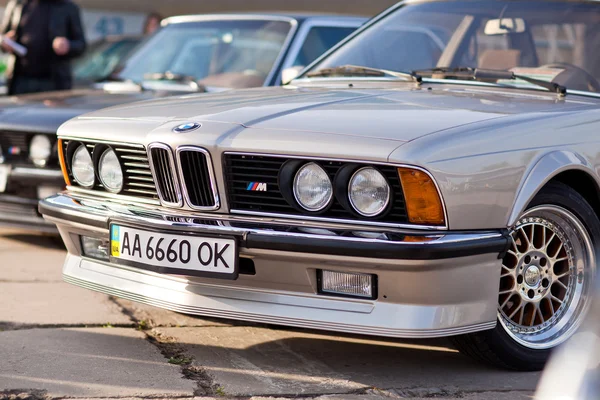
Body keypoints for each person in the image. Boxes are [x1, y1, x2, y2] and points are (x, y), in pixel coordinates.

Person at [0, 0, 86, 95]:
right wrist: (5, 43)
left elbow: (81, 45)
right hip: (20, 80)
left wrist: (68, 45)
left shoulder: (68, 7)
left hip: (53, 82)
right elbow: (3, 37)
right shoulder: (17, 4)